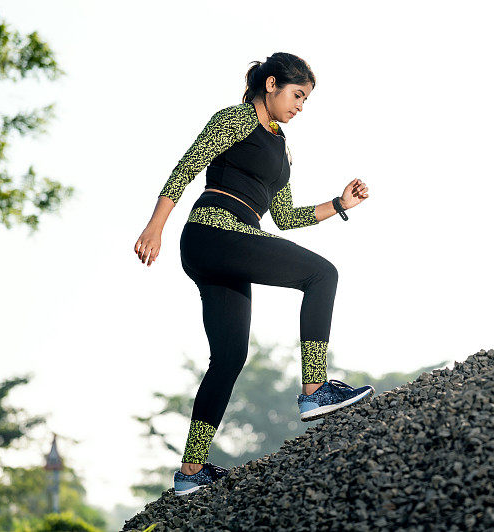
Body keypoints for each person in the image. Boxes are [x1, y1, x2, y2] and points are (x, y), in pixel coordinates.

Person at [133, 52, 374, 496]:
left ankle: (190, 472)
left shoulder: (281, 147)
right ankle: (315, 388)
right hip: (213, 232)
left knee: (229, 358)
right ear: (271, 85)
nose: (301, 106)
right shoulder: (237, 119)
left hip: (233, 244)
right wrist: (155, 225)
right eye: (297, 95)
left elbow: (284, 216)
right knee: (322, 274)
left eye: (306, 100)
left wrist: (340, 205)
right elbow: (187, 166)